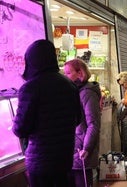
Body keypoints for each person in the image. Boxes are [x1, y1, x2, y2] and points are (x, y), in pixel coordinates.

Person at [12, 39, 81, 187]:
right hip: (64, 158)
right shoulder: (69, 85)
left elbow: (20, 129)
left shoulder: (30, 88)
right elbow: (78, 119)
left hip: (40, 161)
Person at [64, 58, 101, 187]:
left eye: (68, 73)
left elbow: (93, 123)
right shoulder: (74, 91)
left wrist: (87, 147)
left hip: (82, 150)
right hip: (73, 147)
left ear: (80, 73)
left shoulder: (87, 93)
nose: (65, 76)